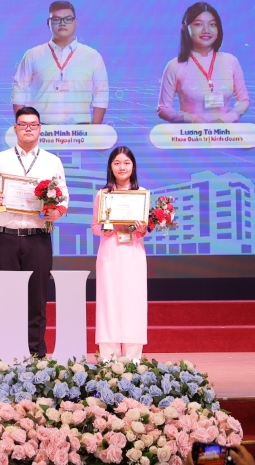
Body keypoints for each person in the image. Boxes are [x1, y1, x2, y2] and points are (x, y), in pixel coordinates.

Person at [0, 106, 68, 357]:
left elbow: (64, 198)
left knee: (37, 299)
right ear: (15, 128)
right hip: (5, 237)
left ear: (40, 128)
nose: (28, 128)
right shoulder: (0, 159)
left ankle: (37, 353)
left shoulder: (52, 161)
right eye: (23, 124)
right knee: (7, 299)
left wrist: (56, 212)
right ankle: (9, 353)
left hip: (37, 237)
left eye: (33, 124)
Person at [91, 146, 149, 360]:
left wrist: (141, 228)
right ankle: (109, 360)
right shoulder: (103, 194)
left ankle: (134, 360)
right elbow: (95, 227)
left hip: (133, 253)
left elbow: (143, 230)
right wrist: (104, 229)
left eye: (126, 162)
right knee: (109, 302)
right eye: (117, 163)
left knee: (134, 301)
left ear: (133, 166)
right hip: (110, 252)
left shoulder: (141, 194)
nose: (122, 167)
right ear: (111, 167)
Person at [11, 1, 109, 124]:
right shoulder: (33, 55)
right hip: (41, 130)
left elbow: (101, 93)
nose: (62, 23)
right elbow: (19, 89)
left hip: (80, 133)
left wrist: (94, 130)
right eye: (57, 19)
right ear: (48, 23)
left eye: (68, 19)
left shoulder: (92, 56)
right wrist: (23, 126)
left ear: (75, 22)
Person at [157, 2, 251, 123]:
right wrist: (191, 119)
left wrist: (225, 120)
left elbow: (244, 100)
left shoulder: (231, 61)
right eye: (198, 24)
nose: (206, 30)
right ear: (185, 27)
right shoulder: (175, 66)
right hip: (190, 136)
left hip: (225, 136)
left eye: (212, 24)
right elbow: (163, 109)